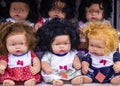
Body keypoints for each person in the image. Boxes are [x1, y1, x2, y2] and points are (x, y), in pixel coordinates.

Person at [36, 18, 84, 86]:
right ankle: (55, 81)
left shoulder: (71, 53)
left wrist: (76, 63)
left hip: (69, 71)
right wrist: (47, 68)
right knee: (49, 75)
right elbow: (44, 62)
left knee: (76, 72)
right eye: (57, 44)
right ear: (49, 44)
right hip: (54, 72)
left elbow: (75, 58)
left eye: (65, 43)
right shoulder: (49, 55)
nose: (62, 47)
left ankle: (76, 78)